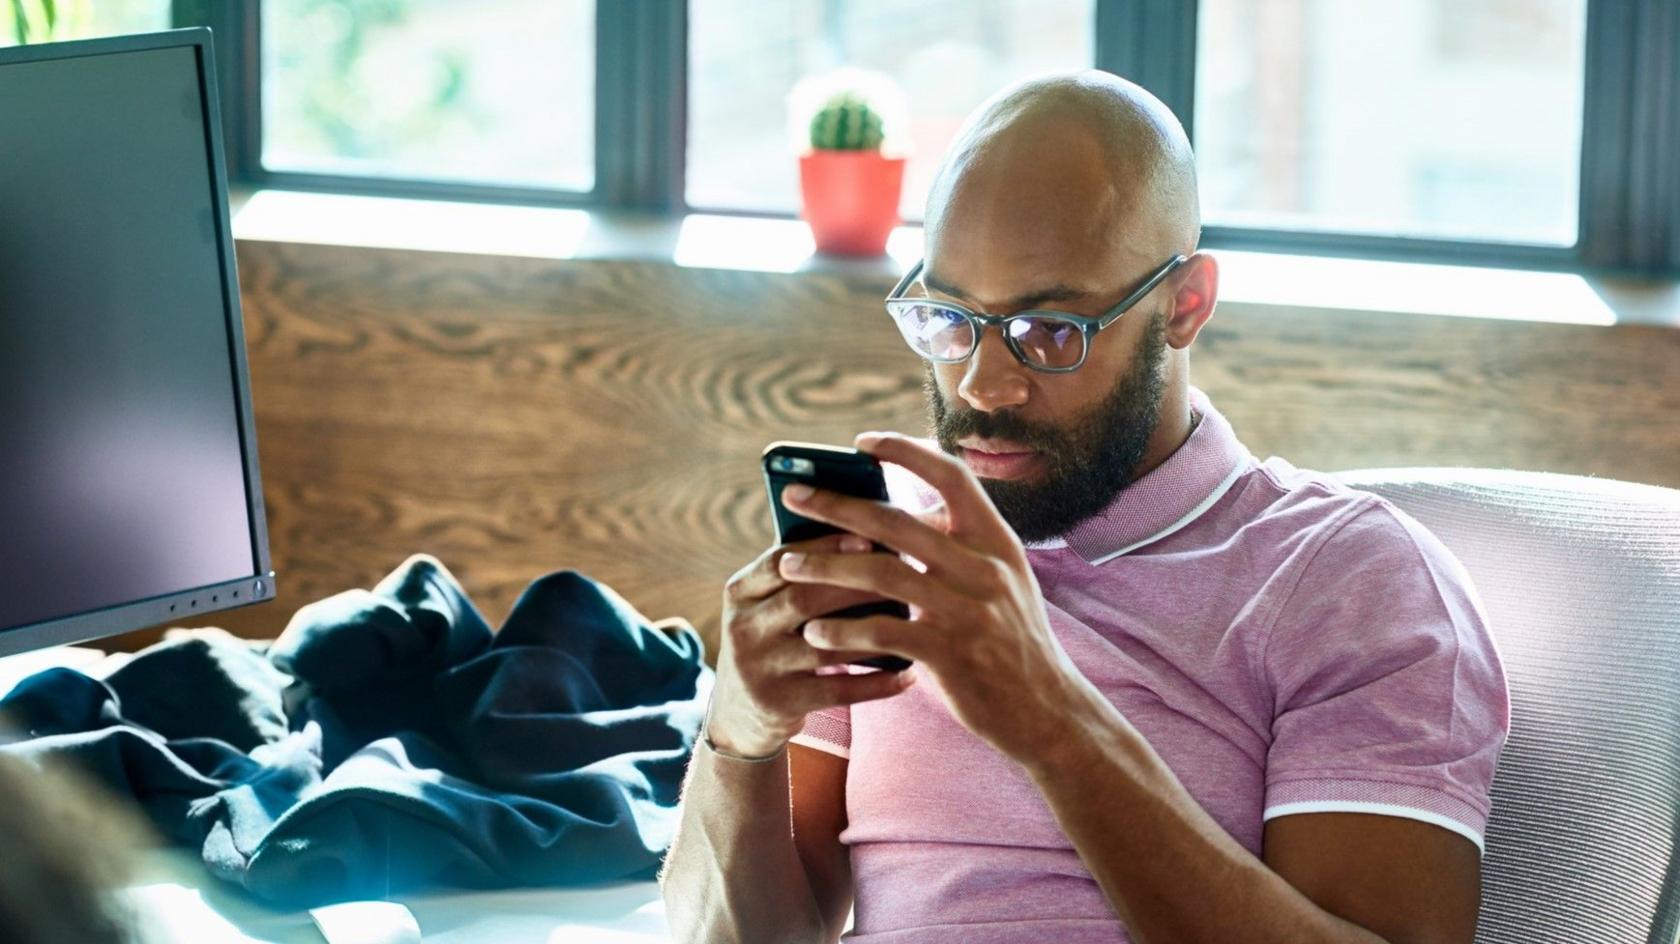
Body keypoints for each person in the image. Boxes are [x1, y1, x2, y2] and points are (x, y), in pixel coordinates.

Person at [659, 70, 1508, 944]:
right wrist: (739, 736)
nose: (983, 385)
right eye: (950, 319)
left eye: (1050, 331)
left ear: (1185, 306)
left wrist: (1052, 723)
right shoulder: (894, 549)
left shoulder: (1349, 580)